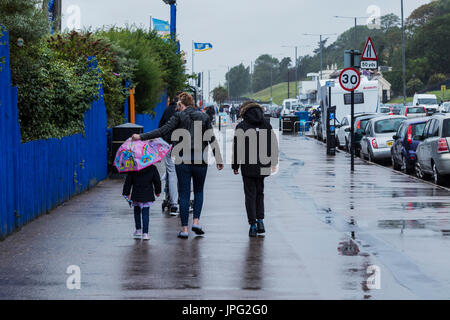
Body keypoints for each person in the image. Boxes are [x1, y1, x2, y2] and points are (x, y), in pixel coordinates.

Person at [132, 92, 224, 239]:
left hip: (183, 159)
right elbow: (211, 138)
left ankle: (185, 229)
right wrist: (218, 158)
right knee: (199, 191)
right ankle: (196, 222)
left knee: (184, 193)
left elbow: (162, 131)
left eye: (178, 106)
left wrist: (141, 137)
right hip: (201, 159)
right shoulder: (204, 117)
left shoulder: (179, 117)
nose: (177, 108)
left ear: (181, 104)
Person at [232, 101, 279, 237]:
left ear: (244, 112)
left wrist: (235, 165)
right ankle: (261, 220)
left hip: (248, 165)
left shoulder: (241, 126)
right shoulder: (265, 124)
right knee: (260, 193)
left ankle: (252, 224)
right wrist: (273, 161)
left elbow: (237, 148)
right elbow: (273, 144)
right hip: (263, 164)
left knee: (250, 195)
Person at [123, 165, 162, 241]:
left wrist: (126, 192)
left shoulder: (133, 167)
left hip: (136, 194)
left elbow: (128, 181)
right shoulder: (152, 167)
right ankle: (145, 233)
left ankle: (138, 230)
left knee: (137, 212)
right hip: (147, 194)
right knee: (145, 213)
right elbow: (157, 180)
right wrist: (158, 191)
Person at [158, 95, 180, 216]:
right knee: (183, 172)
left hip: (169, 145)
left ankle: (173, 204)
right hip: (183, 146)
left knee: (171, 173)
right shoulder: (185, 112)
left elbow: (161, 127)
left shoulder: (167, 110)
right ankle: (183, 199)